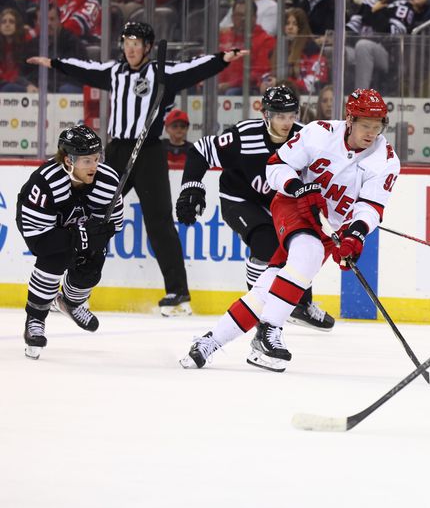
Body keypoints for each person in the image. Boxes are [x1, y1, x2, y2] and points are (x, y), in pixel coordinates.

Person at [27, 21, 248, 316]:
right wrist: (54, 63)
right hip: (117, 151)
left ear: (147, 48)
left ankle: (178, 293)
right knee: (91, 215)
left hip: (149, 152)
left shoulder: (161, 72)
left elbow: (194, 68)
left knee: (158, 221)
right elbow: (85, 69)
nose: (130, 48)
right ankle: (74, 290)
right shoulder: (114, 72)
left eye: (136, 43)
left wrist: (222, 59)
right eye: (126, 42)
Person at [179, 88, 400, 371]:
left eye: (377, 126)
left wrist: (354, 234)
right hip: (293, 205)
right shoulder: (319, 133)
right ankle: (269, 332)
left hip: (327, 228)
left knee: (270, 286)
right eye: (365, 125)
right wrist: (299, 187)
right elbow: (276, 166)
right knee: (307, 255)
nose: (372, 132)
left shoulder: (386, 159)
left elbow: (370, 207)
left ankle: (209, 342)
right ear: (350, 120)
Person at [177, 85, 335, 331]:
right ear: (266, 115)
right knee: (266, 242)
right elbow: (200, 151)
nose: (287, 123)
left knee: (304, 244)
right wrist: (192, 187)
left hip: (281, 205)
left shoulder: (304, 138)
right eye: (280, 116)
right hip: (239, 200)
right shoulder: (244, 136)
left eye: (292, 116)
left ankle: (301, 304)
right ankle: (257, 304)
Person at [15, 125, 123, 360]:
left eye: (96, 158)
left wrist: (98, 234)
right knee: (54, 257)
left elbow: (114, 224)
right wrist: (79, 235)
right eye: (86, 161)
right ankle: (35, 318)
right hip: (43, 231)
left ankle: (71, 303)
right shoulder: (45, 183)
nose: (94, 166)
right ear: (68, 160)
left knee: (93, 261)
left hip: (75, 228)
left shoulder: (108, 182)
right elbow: (38, 242)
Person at [345, 0, 414, 92]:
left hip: (390, 57)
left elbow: (393, 34)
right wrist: (335, 39)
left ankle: (360, 98)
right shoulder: (369, 1)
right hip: (361, 50)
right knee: (339, 51)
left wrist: (375, 12)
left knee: (363, 46)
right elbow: (353, 26)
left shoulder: (404, 4)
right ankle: (337, 95)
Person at [218, 0, 275, 95]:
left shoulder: (265, 40)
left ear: (254, 17)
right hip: (219, 86)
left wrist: (229, 85)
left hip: (246, 89)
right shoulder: (223, 37)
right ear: (232, 18)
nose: (243, 19)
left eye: (246, 15)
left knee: (231, 92)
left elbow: (258, 73)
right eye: (239, 15)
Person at [273, 7, 328, 95]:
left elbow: (314, 83)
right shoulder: (278, 50)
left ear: (301, 27)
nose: (290, 27)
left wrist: (282, 83)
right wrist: (265, 82)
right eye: (287, 23)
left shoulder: (312, 50)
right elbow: (265, 72)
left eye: (294, 24)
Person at [1, 7, 36, 92]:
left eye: (11, 22)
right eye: (3, 22)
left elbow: (27, 71)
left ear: (17, 25)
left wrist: (28, 84)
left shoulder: (26, 45)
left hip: (20, 84)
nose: (7, 24)